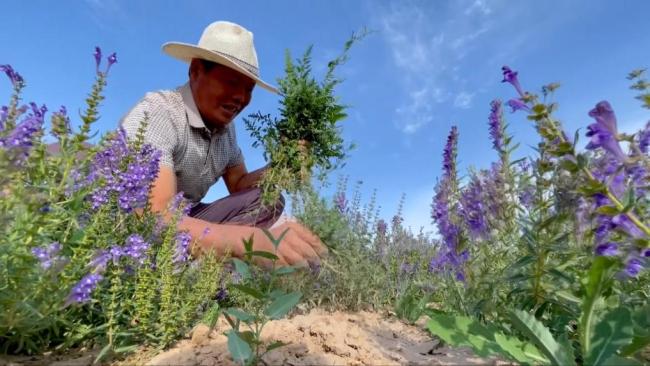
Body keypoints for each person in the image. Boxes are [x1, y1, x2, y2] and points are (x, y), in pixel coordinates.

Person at [119, 21, 326, 267]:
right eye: (231, 82)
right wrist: (245, 241)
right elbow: (152, 215)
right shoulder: (158, 113)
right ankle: (174, 272)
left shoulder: (226, 132)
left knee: (269, 198)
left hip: (186, 219)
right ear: (195, 71)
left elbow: (239, 185)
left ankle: (203, 272)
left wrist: (284, 164)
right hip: (130, 229)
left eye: (248, 89)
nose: (241, 97)